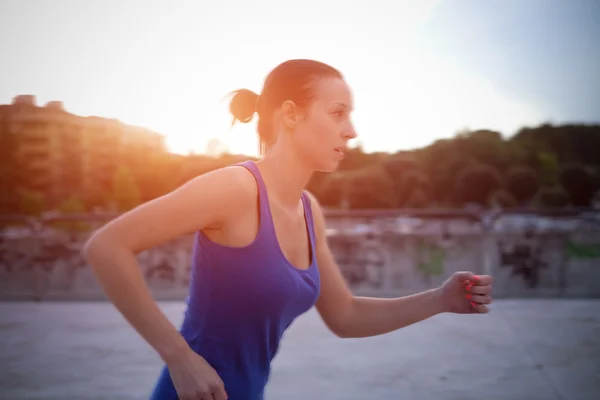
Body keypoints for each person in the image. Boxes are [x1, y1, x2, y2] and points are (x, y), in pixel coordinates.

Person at [83, 59, 493, 400]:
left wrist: (440, 299)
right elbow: (107, 246)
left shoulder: (308, 209)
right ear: (292, 114)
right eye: (337, 113)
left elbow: (345, 316)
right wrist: (179, 357)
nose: (351, 130)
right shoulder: (235, 188)